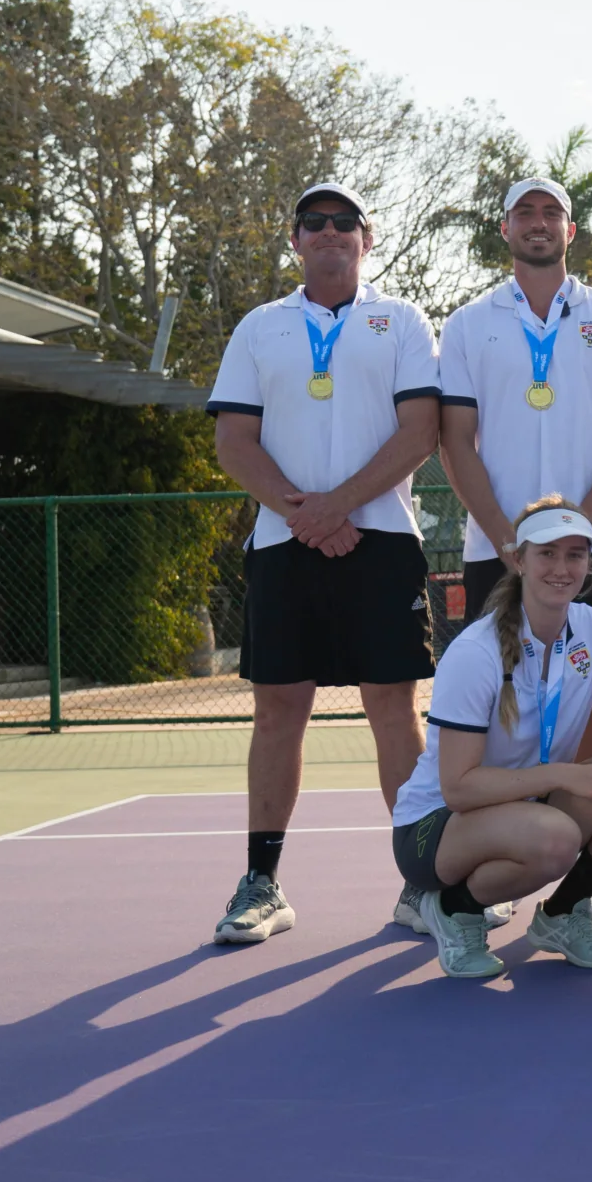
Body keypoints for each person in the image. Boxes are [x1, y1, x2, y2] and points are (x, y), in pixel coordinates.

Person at [205, 181, 442, 944]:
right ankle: (261, 884)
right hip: (285, 543)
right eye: (315, 221)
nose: (330, 231)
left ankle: (424, 884)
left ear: (366, 239)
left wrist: (337, 505)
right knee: (279, 709)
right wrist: (306, 514)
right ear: (296, 238)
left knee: (393, 706)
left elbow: (420, 433)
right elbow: (234, 441)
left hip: (383, 544)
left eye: (345, 221)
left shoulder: (401, 319)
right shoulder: (259, 326)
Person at [389, 499, 592, 979]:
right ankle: (452, 908)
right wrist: (563, 776)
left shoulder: (591, 627)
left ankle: (563, 913)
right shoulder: (475, 653)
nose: (562, 568)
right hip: (436, 828)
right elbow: (459, 788)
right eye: (547, 553)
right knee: (556, 838)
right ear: (518, 559)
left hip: (529, 804)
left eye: (575, 554)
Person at [439, 176, 592, 638]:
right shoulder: (466, 323)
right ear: (505, 228)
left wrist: (576, 533)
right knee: (499, 675)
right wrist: (507, 540)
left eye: (551, 213)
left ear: (570, 230)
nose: (538, 223)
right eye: (524, 213)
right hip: (497, 549)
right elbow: (455, 441)